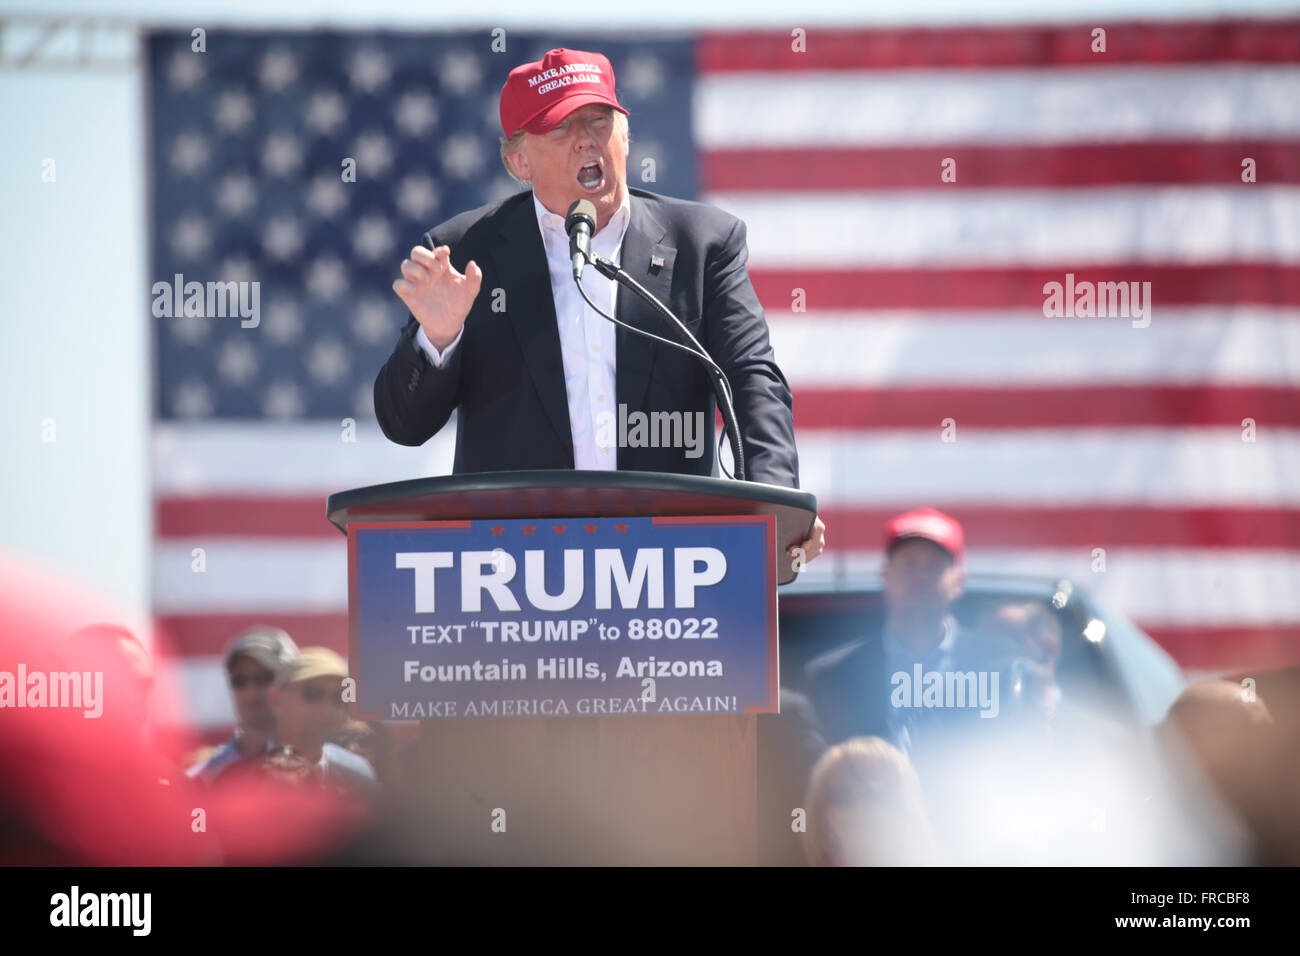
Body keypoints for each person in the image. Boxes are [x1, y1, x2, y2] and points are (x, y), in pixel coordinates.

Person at [373, 46, 824, 565]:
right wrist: (438, 338)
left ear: (626, 136)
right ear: (518, 160)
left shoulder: (703, 246)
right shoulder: (465, 253)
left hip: (669, 563)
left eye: (599, 119)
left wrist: (776, 502)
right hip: (513, 568)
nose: (587, 139)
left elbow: (751, 378)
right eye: (561, 128)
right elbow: (404, 426)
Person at [802, 507, 970, 757]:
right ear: (885, 576)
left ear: (958, 581)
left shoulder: (1000, 667)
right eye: (909, 564)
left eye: (934, 566)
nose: (920, 577)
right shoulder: (828, 678)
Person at [186, 625, 298, 785]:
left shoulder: (330, 774)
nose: (250, 691)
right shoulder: (201, 780)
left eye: (264, 678)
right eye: (239, 680)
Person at [267, 647, 377, 798]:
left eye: (339, 697)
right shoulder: (240, 775)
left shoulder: (358, 774)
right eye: (313, 694)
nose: (328, 710)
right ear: (276, 700)